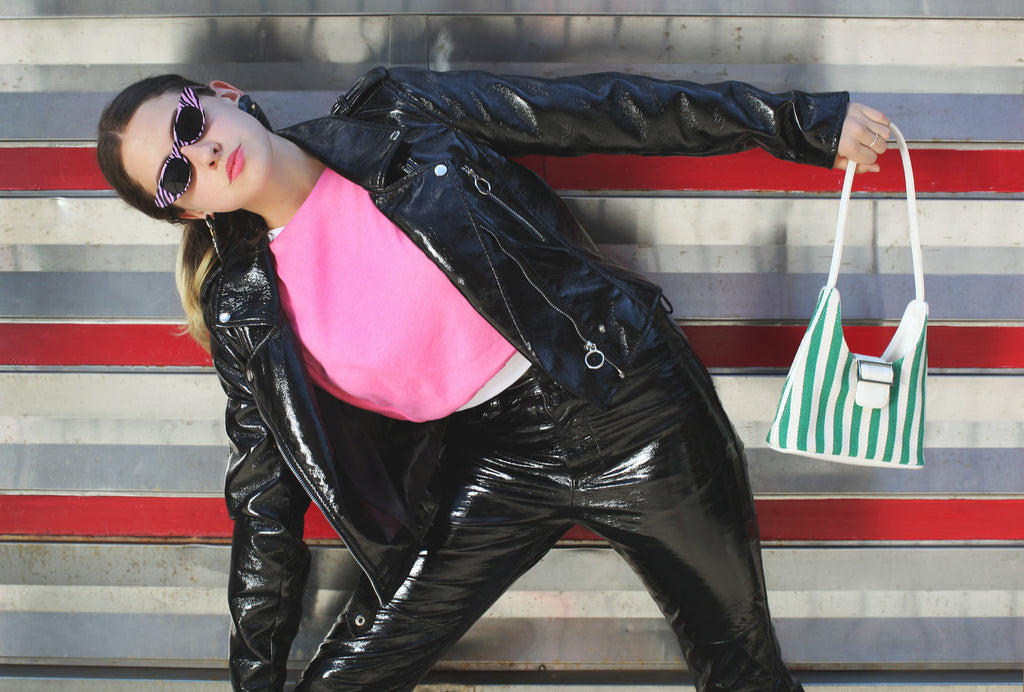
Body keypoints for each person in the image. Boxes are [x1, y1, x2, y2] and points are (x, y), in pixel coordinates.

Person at [97, 65, 890, 691]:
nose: (199, 153)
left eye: (190, 124)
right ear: (185, 212)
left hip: (632, 405)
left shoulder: (397, 115)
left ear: (225, 97)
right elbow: (264, 505)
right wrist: (254, 676)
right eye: (174, 175)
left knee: (742, 672)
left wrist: (794, 123)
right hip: (498, 463)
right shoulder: (246, 312)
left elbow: (599, 108)